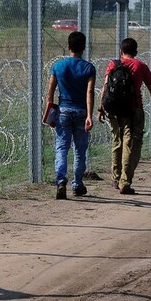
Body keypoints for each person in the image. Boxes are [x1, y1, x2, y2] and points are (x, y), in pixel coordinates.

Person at [98, 37, 151, 195]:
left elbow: (105, 87)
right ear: (136, 52)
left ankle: (115, 177)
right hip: (133, 108)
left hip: (113, 109)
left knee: (117, 140)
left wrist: (100, 108)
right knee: (131, 143)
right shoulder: (140, 66)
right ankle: (125, 182)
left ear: (121, 51)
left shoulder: (113, 64)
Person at [45, 31, 96, 199]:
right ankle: (77, 184)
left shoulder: (58, 66)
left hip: (63, 111)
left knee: (61, 148)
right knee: (80, 150)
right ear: (84, 47)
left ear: (68, 46)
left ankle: (61, 181)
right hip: (81, 111)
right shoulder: (88, 68)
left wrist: (49, 114)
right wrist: (89, 115)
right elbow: (89, 92)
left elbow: (50, 93)